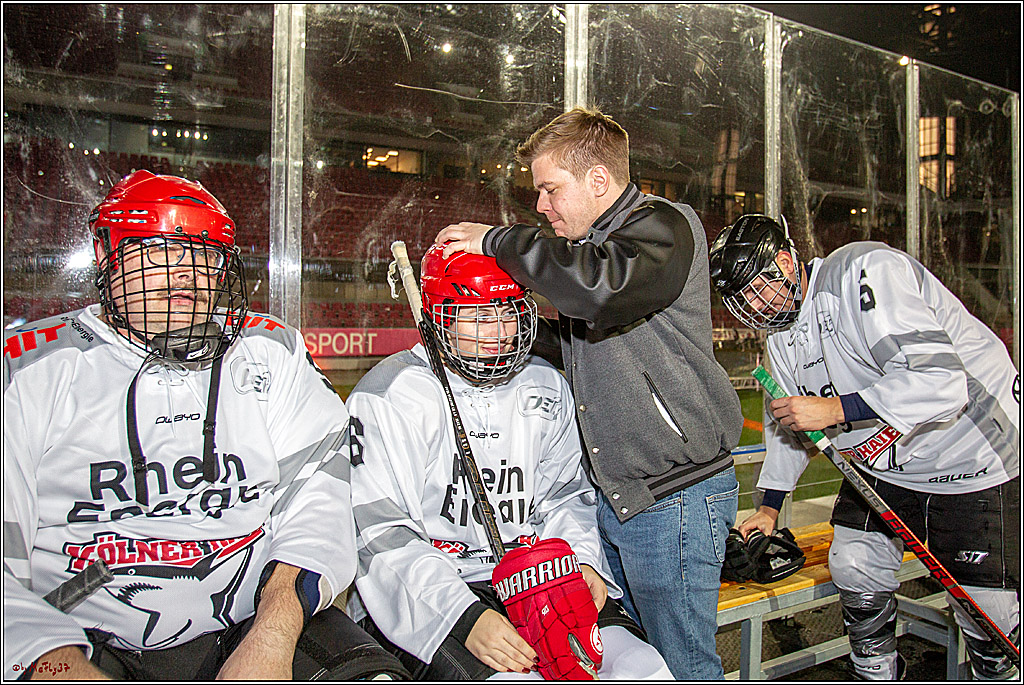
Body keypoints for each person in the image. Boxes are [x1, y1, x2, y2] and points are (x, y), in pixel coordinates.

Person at [3, 170, 407, 681]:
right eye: (157, 252)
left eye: (205, 255)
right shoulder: (25, 370)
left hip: (251, 618)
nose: (185, 274)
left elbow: (317, 506)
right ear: (107, 258)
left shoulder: (270, 352)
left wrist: (273, 637)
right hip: (82, 633)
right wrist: (51, 661)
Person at [433, 106, 743, 679]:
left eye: (550, 189)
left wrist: (497, 242)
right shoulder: (590, 258)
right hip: (621, 499)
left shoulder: (664, 227)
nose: (541, 206)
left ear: (599, 181)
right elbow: (576, 342)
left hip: (673, 496)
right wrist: (484, 333)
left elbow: (599, 287)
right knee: (626, 657)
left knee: (682, 666)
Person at [708, 214, 1020, 680]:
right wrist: (770, 507)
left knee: (986, 609)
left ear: (787, 261)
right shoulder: (780, 338)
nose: (753, 305)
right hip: (885, 467)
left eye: (757, 286)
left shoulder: (864, 270)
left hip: (972, 454)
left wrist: (833, 410)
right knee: (853, 564)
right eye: (741, 298)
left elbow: (943, 384)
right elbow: (792, 428)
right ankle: (874, 671)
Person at [345, 245, 673, 680]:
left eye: (509, 313)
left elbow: (565, 497)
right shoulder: (390, 396)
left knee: (641, 667)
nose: (500, 332)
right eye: (479, 317)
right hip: (441, 593)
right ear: (438, 314)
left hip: (540, 578)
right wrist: (463, 617)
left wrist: (582, 567)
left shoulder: (545, 384)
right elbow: (378, 531)